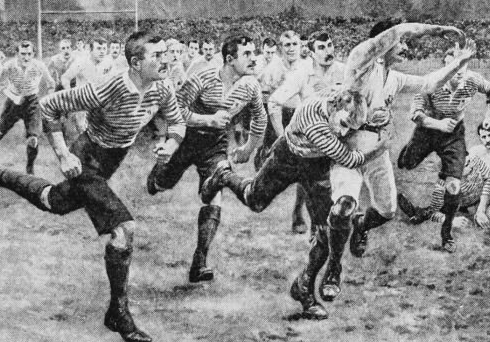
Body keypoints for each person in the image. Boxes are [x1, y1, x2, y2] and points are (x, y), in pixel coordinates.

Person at [0, 31, 186, 342]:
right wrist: (64, 154)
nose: (166, 60)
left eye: (165, 54)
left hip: (111, 159)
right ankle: (118, 312)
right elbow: (48, 106)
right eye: (157, 56)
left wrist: (170, 145)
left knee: (54, 201)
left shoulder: (162, 87)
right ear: (136, 63)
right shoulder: (109, 88)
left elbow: (177, 121)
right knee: (123, 229)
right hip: (87, 156)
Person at [323, 21, 474, 304]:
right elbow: (395, 33)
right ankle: (333, 269)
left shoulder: (394, 77)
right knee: (343, 204)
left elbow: (429, 83)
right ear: (384, 45)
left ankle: (361, 226)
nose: (405, 46)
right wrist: (434, 29)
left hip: (377, 150)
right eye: (401, 42)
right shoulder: (360, 62)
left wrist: (460, 62)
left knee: (387, 211)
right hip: (348, 147)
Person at [204, 89, 377, 320]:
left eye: (351, 128)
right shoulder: (315, 121)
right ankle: (224, 175)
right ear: (335, 105)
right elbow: (348, 158)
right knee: (254, 201)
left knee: (324, 231)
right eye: (344, 124)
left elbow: (354, 121)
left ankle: (304, 287)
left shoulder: (340, 105)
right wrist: (380, 147)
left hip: (316, 167)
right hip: (288, 158)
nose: (345, 132)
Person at [147, 35, 266, 283]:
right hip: (186, 139)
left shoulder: (251, 86)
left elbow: (260, 118)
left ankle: (199, 263)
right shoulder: (203, 78)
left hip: (215, 144)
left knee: (214, 197)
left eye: (254, 53)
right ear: (230, 59)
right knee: (161, 184)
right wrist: (207, 120)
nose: (253, 59)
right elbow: (174, 110)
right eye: (247, 54)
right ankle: (158, 176)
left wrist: (248, 148)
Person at [395, 44, 490, 251]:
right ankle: (408, 153)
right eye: (453, 67)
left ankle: (446, 232)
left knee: (454, 185)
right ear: (445, 68)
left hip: (453, 134)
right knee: (407, 163)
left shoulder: (472, 80)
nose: (458, 71)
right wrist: (438, 124)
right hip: (427, 131)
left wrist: (488, 115)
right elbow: (415, 113)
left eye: (462, 66)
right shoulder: (431, 82)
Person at [254, 29, 311, 232]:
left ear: (300, 46)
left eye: (295, 44)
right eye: (287, 45)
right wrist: (279, 133)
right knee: (273, 162)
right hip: (278, 118)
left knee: (305, 166)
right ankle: (259, 192)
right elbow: (264, 97)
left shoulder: (307, 66)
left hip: (300, 118)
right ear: (281, 48)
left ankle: (298, 213)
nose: (291, 48)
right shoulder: (273, 68)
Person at [0, 41, 56, 174]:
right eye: (23, 54)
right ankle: (0, 130)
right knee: (3, 128)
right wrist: (13, 97)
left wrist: (49, 97)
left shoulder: (39, 66)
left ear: (33, 54)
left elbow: (51, 83)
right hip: (13, 100)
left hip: (32, 101)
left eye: (29, 54)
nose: (26, 58)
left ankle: (30, 168)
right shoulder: (9, 65)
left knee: (33, 138)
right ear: (17, 54)